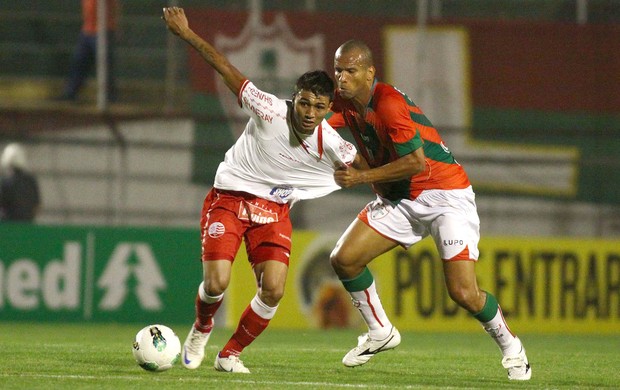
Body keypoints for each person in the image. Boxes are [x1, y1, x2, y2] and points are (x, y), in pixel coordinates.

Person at [162, 8, 364, 374]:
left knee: (273, 289)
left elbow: (364, 165)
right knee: (217, 282)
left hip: (273, 211)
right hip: (230, 198)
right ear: (294, 97)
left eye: (318, 107)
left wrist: (392, 179)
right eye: (304, 102)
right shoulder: (268, 108)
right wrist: (188, 34)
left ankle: (230, 355)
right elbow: (225, 68)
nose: (308, 112)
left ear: (328, 110)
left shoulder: (332, 142)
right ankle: (201, 328)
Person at [326, 40, 532, 381]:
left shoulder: (388, 102)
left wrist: (361, 175)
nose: (342, 78)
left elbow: (415, 162)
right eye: (338, 70)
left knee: (463, 293)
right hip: (401, 198)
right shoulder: (345, 102)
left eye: (350, 70)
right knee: (344, 258)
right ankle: (380, 332)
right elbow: (311, 116)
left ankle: (512, 347)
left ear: (369, 72)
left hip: (444, 195)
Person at [57, 0, 119, 102]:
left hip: (103, 31)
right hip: (87, 30)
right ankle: (70, 92)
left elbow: (115, 6)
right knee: (79, 62)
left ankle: (110, 97)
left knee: (105, 65)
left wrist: (114, 26)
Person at [0, 143, 41, 222]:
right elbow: (37, 206)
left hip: (8, 226)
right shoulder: (31, 181)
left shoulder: (4, 181)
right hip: (27, 225)